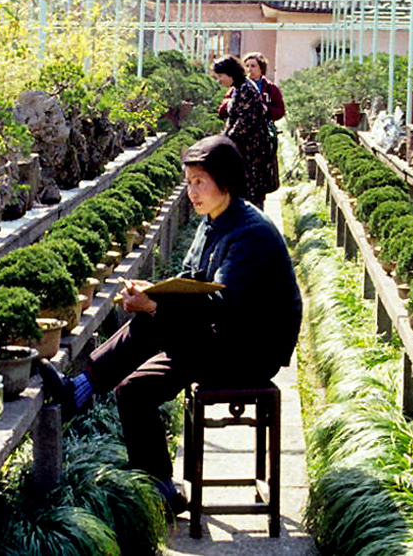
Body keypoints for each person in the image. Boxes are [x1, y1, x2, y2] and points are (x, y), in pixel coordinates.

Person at [39, 135, 302, 516]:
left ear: (224, 182)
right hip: (217, 339)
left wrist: (155, 305)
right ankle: (163, 490)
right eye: (189, 181)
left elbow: (222, 307)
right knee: (132, 391)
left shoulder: (251, 233)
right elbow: (190, 278)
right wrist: (153, 293)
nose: (191, 191)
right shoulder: (213, 221)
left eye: (200, 181)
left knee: (152, 321)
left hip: (250, 349)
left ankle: (81, 390)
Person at [212, 55, 279, 209]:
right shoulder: (238, 88)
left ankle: (255, 230)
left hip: (251, 156)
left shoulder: (246, 90)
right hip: (245, 155)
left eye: (221, 76)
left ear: (230, 74)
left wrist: (222, 143)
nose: (219, 80)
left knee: (251, 199)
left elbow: (242, 126)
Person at [242, 52, 286, 122]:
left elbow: (280, 111)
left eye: (253, 66)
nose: (249, 69)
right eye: (247, 66)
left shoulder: (270, 88)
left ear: (261, 68)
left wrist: (267, 109)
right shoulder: (239, 86)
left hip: (262, 127)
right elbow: (223, 108)